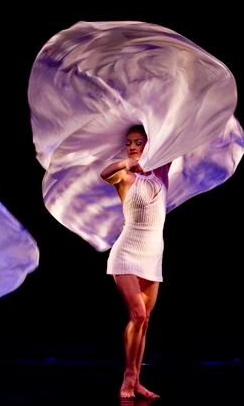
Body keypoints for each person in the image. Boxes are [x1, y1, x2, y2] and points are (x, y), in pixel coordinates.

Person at [100, 125, 171, 400]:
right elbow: (103, 174)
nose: (132, 146)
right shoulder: (125, 177)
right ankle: (128, 377)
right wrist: (125, 163)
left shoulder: (162, 173)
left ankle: (138, 379)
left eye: (138, 142)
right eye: (129, 143)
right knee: (138, 315)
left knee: (145, 321)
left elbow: (176, 135)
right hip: (127, 252)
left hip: (153, 254)